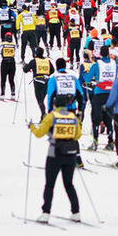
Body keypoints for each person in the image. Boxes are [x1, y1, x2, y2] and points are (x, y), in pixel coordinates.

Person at [29, 93, 82, 223]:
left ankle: (46, 212)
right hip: (70, 153)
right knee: (69, 184)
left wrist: (31, 127)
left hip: (54, 153)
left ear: (54, 104)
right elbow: (78, 135)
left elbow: (39, 133)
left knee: (50, 184)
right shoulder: (73, 117)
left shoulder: (51, 116)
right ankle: (76, 212)